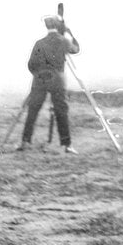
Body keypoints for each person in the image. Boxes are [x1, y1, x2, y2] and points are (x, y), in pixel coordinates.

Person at [18, 15, 82, 153]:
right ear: (58, 26)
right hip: (58, 82)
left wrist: (39, 75)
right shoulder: (64, 41)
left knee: (32, 111)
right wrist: (70, 33)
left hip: (40, 81)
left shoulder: (39, 43)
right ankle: (66, 145)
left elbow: (31, 65)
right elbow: (76, 49)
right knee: (61, 112)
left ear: (46, 26)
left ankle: (25, 142)